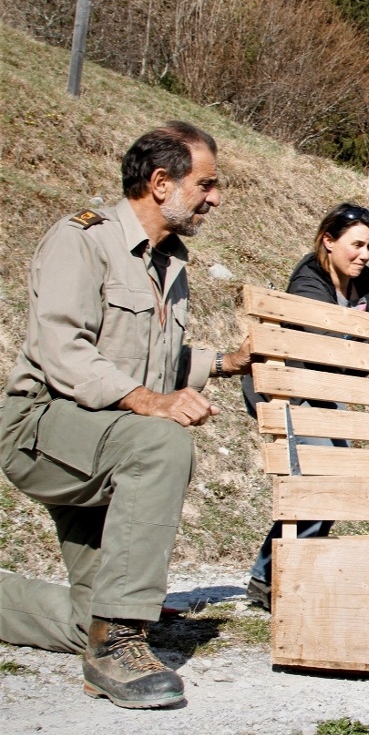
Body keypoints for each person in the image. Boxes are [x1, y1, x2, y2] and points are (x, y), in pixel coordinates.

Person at [0, 122, 252, 709]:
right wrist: (149, 401)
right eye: (207, 185)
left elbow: (158, 357)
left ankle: (104, 633)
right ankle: (121, 646)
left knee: (87, 619)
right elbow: (63, 351)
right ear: (161, 183)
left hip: (103, 438)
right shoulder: (81, 240)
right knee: (161, 443)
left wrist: (229, 363)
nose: (216, 199)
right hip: (42, 428)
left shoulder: (171, 265)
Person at [241, 202, 369, 611]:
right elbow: (322, 342)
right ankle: (268, 578)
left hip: (324, 385)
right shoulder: (309, 280)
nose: (365, 255)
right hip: (285, 387)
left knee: (338, 476)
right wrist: (358, 357)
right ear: (329, 241)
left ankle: (288, 571)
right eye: (357, 245)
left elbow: (365, 337)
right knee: (318, 475)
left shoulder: (365, 281)